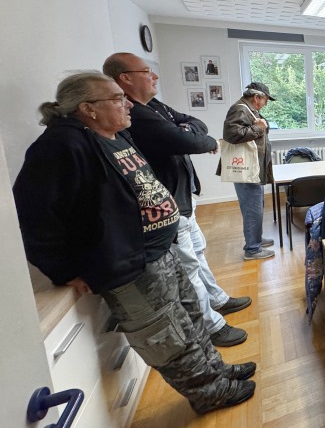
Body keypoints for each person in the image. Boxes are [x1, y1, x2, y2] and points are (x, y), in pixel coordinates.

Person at [13, 71, 256, 413]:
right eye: (117, 98)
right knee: (168, 337)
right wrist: (62, 270)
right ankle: (210, 393)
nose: (128, 104)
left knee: (190, 319)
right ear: (89, 108)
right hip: (132, 265)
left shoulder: (114, 135)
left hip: (162, 249)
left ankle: (217, 371)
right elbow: (33, 215)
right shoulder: (61, 145)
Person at [104, 53, 251, 347]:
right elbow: (190, 140)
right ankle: (211, 326)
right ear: (125, 78)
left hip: (183, 198)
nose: (154, 76)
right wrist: (190, 136)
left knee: (198, 252)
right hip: (168, 205)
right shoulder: (141, 116)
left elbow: (194, 122)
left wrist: (186, 131)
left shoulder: (153, 106)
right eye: (147, 72)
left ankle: (217, 299)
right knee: (188, 266)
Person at [220, 82, 277, 260]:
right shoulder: (240, 109)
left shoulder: (248, 109)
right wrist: (258, 128)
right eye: (265, 99)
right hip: (247, 170)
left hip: (254, 169)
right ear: (256, 97)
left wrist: (261, 126)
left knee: (257, 206)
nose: (266, 103)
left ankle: (256, 239)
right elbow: (232, 134)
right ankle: (252, 249)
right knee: (252, 209)